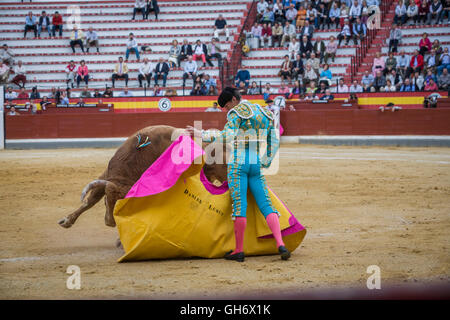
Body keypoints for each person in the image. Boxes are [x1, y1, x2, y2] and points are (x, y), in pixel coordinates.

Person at [186, 87, 289, 262]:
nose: (226, 110)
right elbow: (274, 139)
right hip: (255, 163)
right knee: (266, 204)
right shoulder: (264, 112)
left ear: (234, 99)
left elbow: (226, 136)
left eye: (226, 106)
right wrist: (265, 161)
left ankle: (238, 251)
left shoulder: (236, 113)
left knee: (239, 207)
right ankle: (281, 244)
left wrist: (202, 134)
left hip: (238, 163)